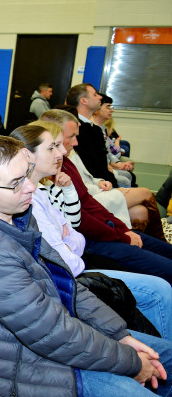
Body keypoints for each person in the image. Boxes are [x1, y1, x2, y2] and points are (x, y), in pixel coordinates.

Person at [0, 134, 172, 397]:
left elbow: (66, 285)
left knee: (165, 357)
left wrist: (120, 335)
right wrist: (130, 362)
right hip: (36, 374)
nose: (30, 187)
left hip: (55, 349)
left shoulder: (16, 219)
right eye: (15, 183)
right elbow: (55, 335)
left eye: (28, 174)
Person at [10, 122, 172, 339]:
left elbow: (75, 232)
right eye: (52, 147)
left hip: (81, 257)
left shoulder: (42, 190)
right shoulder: (31, 199)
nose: (62, 151)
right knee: (159, 289)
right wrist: (110, 235)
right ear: (27, 155)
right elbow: (69, 259)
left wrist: (72, 236)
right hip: (71, 279)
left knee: (157, 272)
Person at [40, 109, 172, 284]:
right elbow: (82, 221)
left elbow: (89, 201)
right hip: (89, 242)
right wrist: (122, 236)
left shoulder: (66, 162)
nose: (76, 142)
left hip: (104, 230)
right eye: (71, 137)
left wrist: (122, 229)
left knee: (166, 251)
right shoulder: (48, 179)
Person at [66, 83, 118, 187]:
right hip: (96, 185)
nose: (100, 97)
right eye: (95, 94)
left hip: (103, 182)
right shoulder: (78, 129)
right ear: (84, 101)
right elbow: (93, 167)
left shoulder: (93, 128)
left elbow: (101, 164)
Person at [91, 93, 135, 187]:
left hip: (106, 165)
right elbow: (97, 157)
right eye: (108, 107)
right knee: (126, 180)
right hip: (98, 170)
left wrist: (119, 163)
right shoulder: (92, 129)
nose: (112, 110)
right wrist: (115, 165)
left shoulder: (102, 128)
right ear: (97, 109)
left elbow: (107, 153)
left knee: (128, 176)